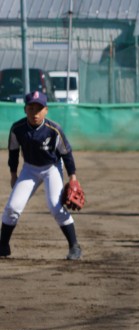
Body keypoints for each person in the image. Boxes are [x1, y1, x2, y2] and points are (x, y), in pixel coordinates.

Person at [2, 90, 82, 260]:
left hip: (51, 167)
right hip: (29, 168)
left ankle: (74, 246)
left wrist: (73, 177)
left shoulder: (53, 130)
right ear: (25, 109)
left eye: (39, 109)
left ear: (46, 110)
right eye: (31, 108)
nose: (35, 113)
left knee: (55, 206)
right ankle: (3, 245)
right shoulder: (18, 129)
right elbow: (13, 152)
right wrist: (13, 174)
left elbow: (66, 153)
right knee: (12, 207)